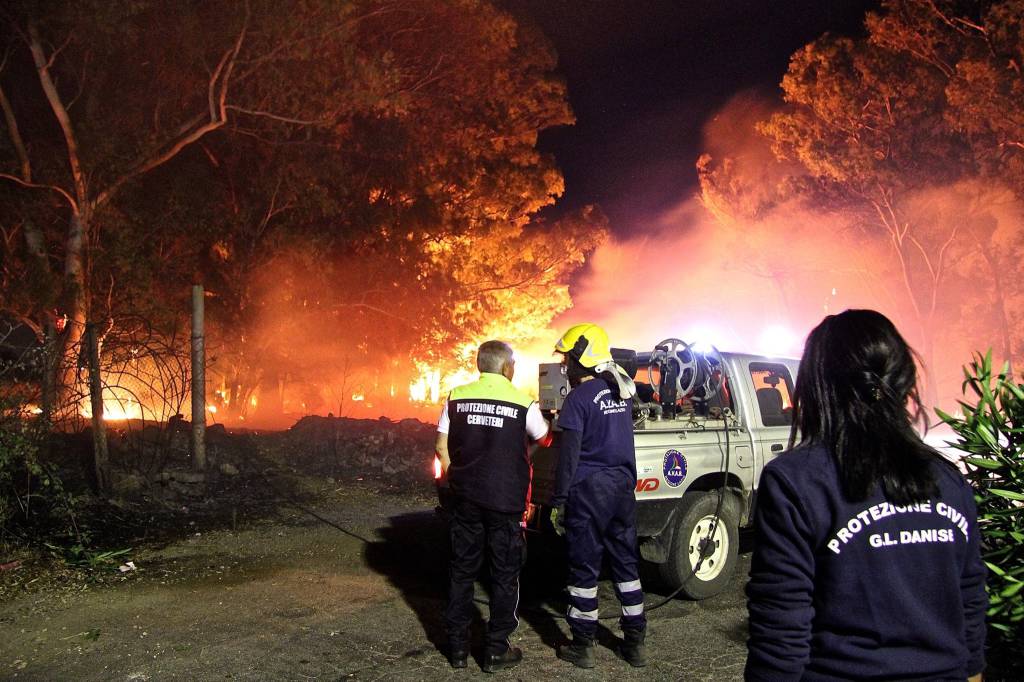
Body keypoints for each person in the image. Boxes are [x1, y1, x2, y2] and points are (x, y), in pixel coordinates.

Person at [745, 309, 987, 681]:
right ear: (902, 378)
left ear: (815, 385)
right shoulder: (948, 481)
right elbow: (970, 609)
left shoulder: (796, 482)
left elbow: (781, 631)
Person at [436, 340, 550, 673]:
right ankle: (496, 650)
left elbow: (441, 445)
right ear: (505, 367)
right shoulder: (523, 403)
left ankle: (457, 649)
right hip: (505, 502)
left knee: (461, 571)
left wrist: (453, 477)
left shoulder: (456, 398)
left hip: (466, 499)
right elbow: (544, 438)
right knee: (504, 575)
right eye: (512, 363)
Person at [549, 323, 647, 669]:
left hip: (588, 492)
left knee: (584, 569)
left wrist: (559, 501)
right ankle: (635, 643)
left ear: (582, 357)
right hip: (621, 489)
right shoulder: (620, 391)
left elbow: (569, 456)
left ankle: (583, 645)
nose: (565, 364)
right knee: (626, 565)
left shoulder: (577, 399)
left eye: (568, 357)